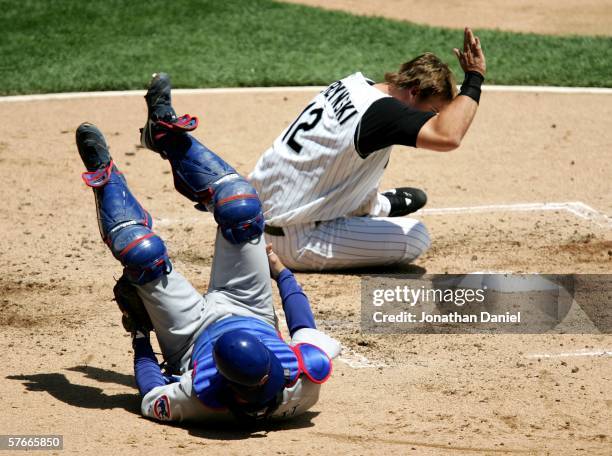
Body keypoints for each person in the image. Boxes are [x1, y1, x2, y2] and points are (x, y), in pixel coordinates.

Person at [75, 73, 340, 423]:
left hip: (188, 338)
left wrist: (141, 333)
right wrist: (280, 271)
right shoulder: (304, 382)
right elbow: (303, 325)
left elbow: (151, 391)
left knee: (141, 253)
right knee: (241, 210)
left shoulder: (196, 401)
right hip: (252, 310)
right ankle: (165, 134)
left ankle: (106, 179)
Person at [249, 27, 486, 271]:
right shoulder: (385, 114)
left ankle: (372, 206)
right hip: (293, 242)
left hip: (249, 222)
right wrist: (474, 78)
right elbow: (448, 136)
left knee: (361, 161)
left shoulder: (353, 85)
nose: (432, 119)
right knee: (417, 237)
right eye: (433, 111)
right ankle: (377, 207)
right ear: (414, 91)